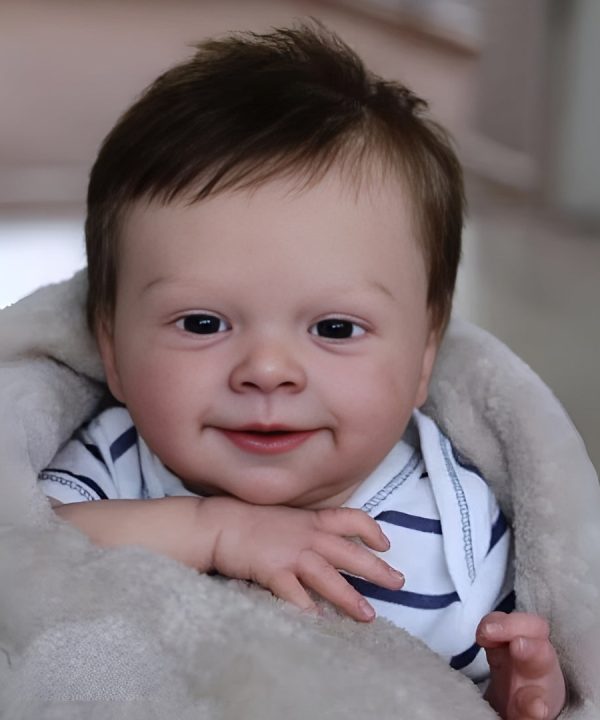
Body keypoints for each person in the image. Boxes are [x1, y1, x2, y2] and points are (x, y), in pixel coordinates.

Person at [38, 23, 565, 719]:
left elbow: (455, 691)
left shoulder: (454, 529)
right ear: (110, 346)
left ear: (424, 356)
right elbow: (27, 561)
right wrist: (212, 529)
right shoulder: (117, 464)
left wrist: (516, 692)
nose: (267, 371)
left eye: (335, 329)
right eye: (202, 324)